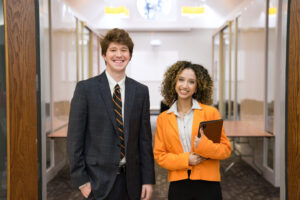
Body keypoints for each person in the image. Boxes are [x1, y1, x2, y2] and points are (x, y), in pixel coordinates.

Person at [67, 28, 155, 200]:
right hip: (97, 181)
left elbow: (144, 141)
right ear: (104, 55)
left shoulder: (140, 92)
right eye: (113, 50)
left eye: (124, 50)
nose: (119, 55)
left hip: (132, 181)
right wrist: (82, 181)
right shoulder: (85, 89)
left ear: (130, 55)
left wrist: (148, 180)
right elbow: (74, 139)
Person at [154, 61, 231, 200]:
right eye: (181, 80)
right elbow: (160, 156)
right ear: (174, 83)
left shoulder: (210, 113)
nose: (185, 86)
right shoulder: (163, 119)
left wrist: (203, 146)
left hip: (208, 184)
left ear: (197, 87)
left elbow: (225, 149)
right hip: (178, 185)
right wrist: (186, 160)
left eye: (191, 82)